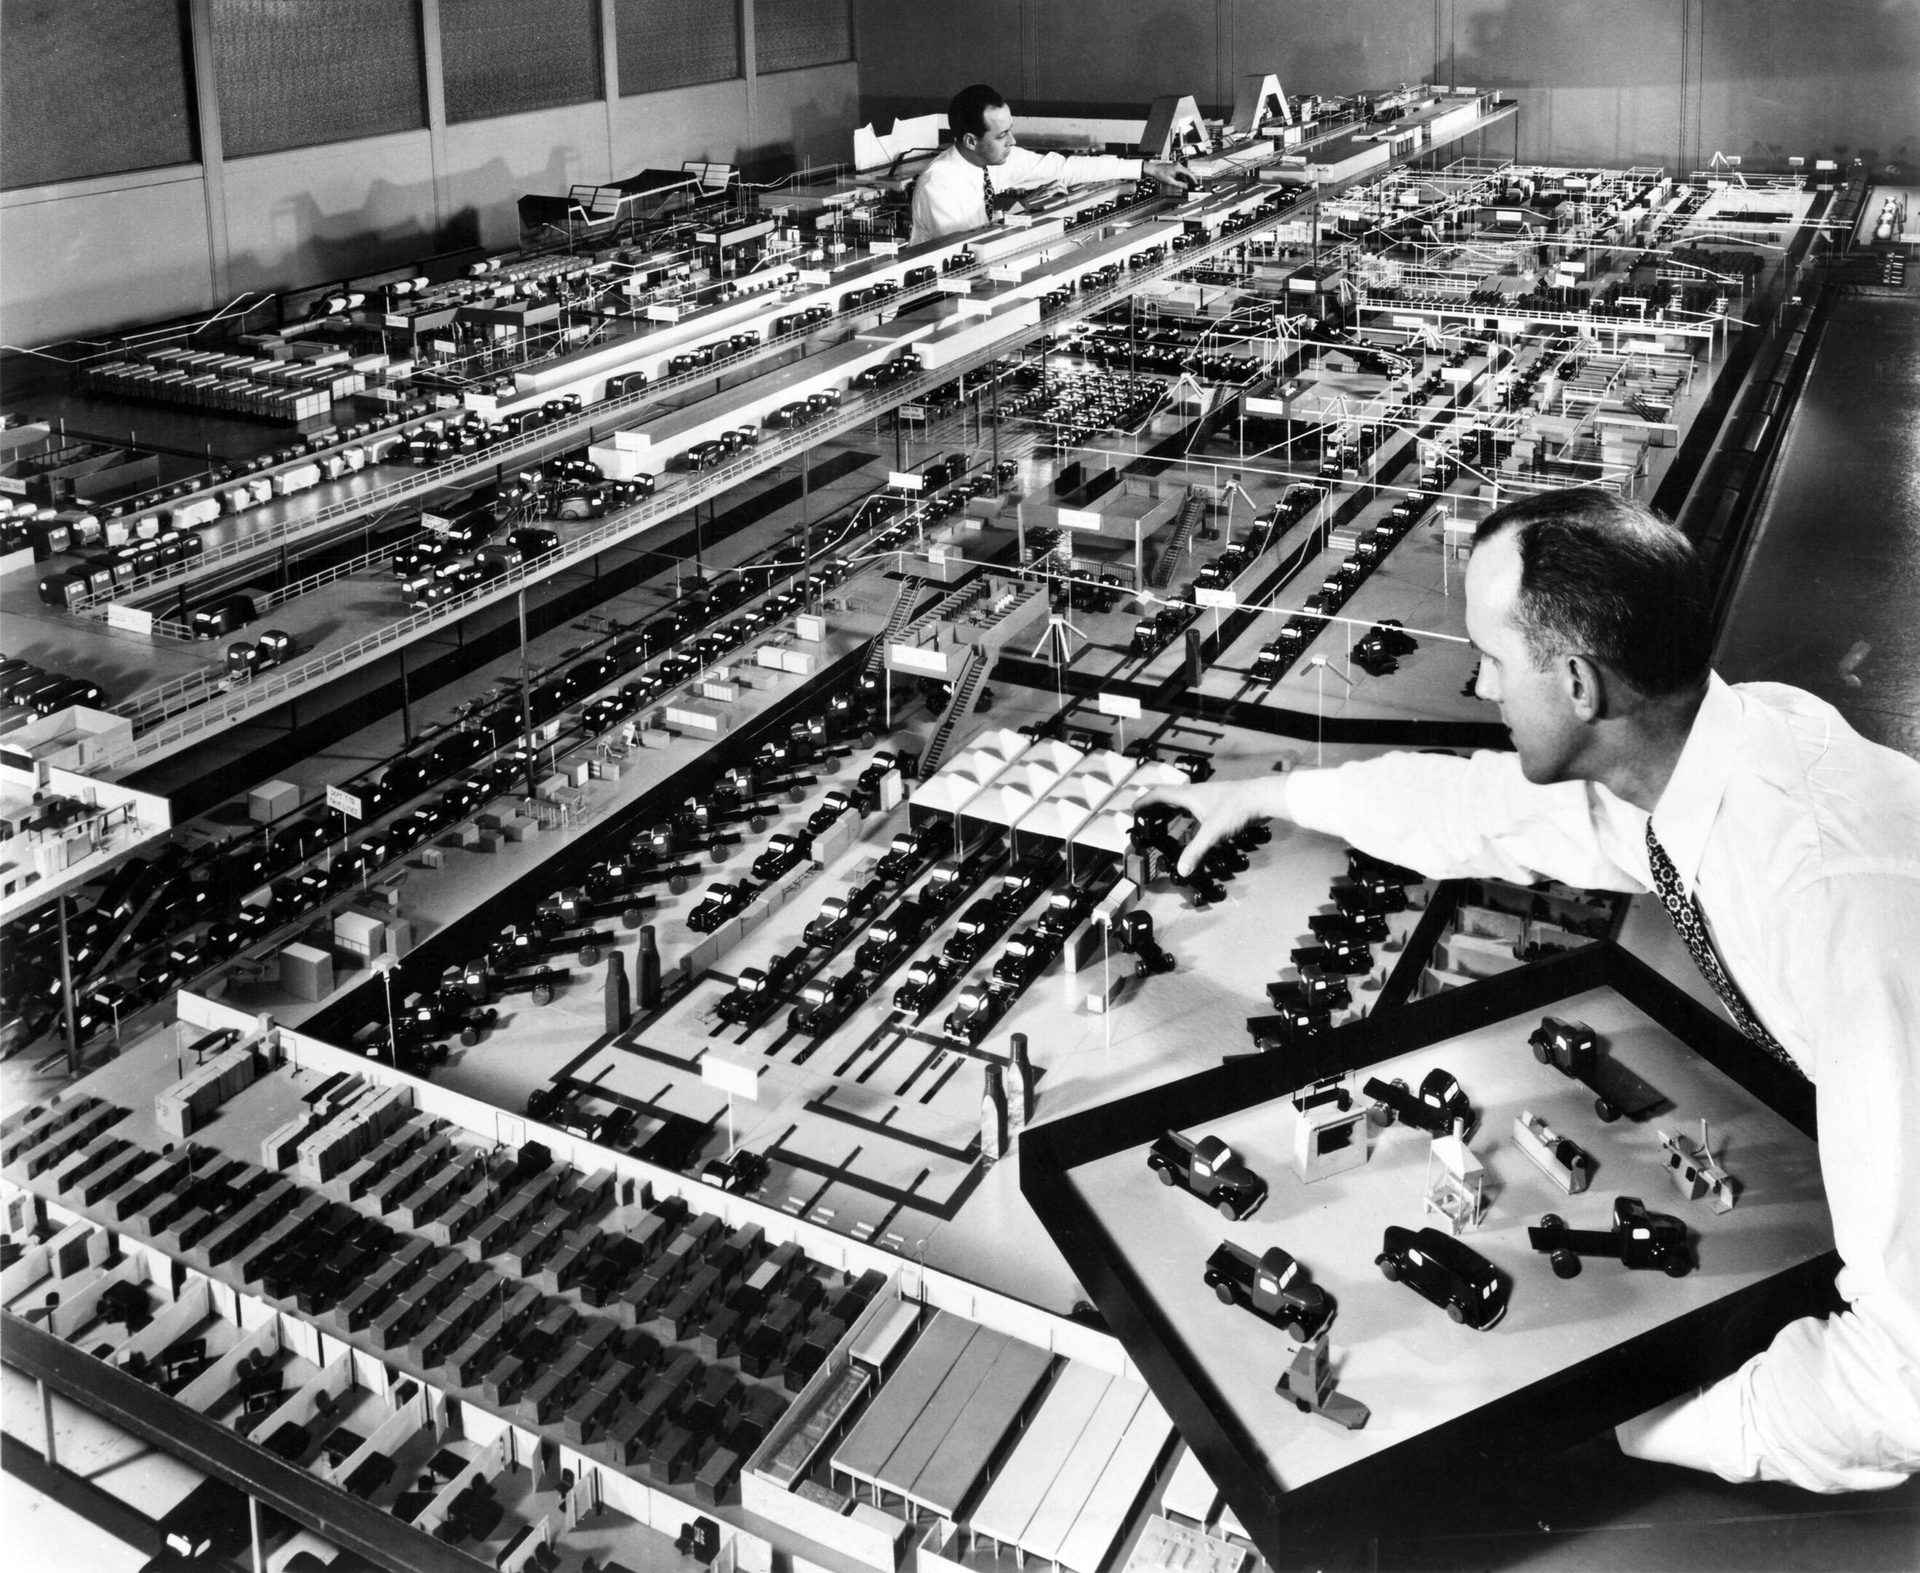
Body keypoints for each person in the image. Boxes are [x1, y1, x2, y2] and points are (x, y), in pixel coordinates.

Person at [1140, 487, 1920, 1493]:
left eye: (1496, 661)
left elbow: (1902, 1388)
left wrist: (1632, 1420)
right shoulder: (1724, 750)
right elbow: (1486, 809)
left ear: (1581, 685)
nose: (1477, 685)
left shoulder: (1839, 915)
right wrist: (1267, 794)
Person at [910, 83, 1195, 244]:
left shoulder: (995, 159)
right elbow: (965, 251)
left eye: (1010, 129)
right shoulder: (939, 185)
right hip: (933, 301)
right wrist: (1021, 211)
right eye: (1001, 135)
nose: (1012, 140)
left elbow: (1066, 168)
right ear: (971, 141)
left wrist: (1148, 168)